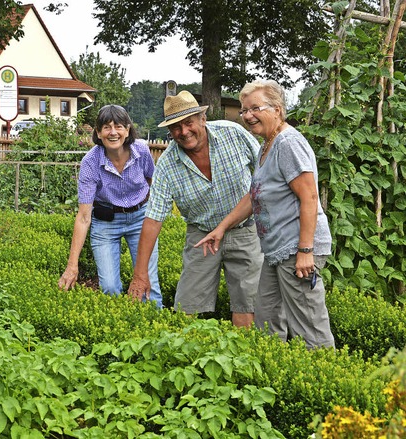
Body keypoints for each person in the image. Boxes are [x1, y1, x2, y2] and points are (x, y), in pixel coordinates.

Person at [195, 79, 335, 349]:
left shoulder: (288, 143)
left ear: (278, 110)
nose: (248, 116)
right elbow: (254, 195)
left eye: (255, 108)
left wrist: (305, 250)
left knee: (309, 327)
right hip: (276, 251)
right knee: (266, 321)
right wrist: (221, 228)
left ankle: (324, 379)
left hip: (296, 249)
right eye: (245, 110)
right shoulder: (266, 146)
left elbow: (309, 197)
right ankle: (272, 378)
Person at [128, 91, 262, 326]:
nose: (183, 132)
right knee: (186, 308)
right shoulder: (168, 164)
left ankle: (243, 358)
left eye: (188, 123)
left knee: (247, 303)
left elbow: (265, 171)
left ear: (202, 118)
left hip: (244, 230)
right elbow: (153, 218)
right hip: (202, 236)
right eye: (175, 128)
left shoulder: (234, 134)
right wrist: (140, 274)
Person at [58, 104, 162, 308]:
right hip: (106, 222)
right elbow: (83, 216)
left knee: (149, 283)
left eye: (119, 127)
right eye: (106, 127)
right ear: (98, 133)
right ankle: (122, 332)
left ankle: (153, 330)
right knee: (110, 288)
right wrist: (72, 265)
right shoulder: (90, 162)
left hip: (140, 218)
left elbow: (153, 182)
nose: (113, 132)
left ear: (128, 130)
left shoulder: (141, 150)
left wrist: (149, 212)